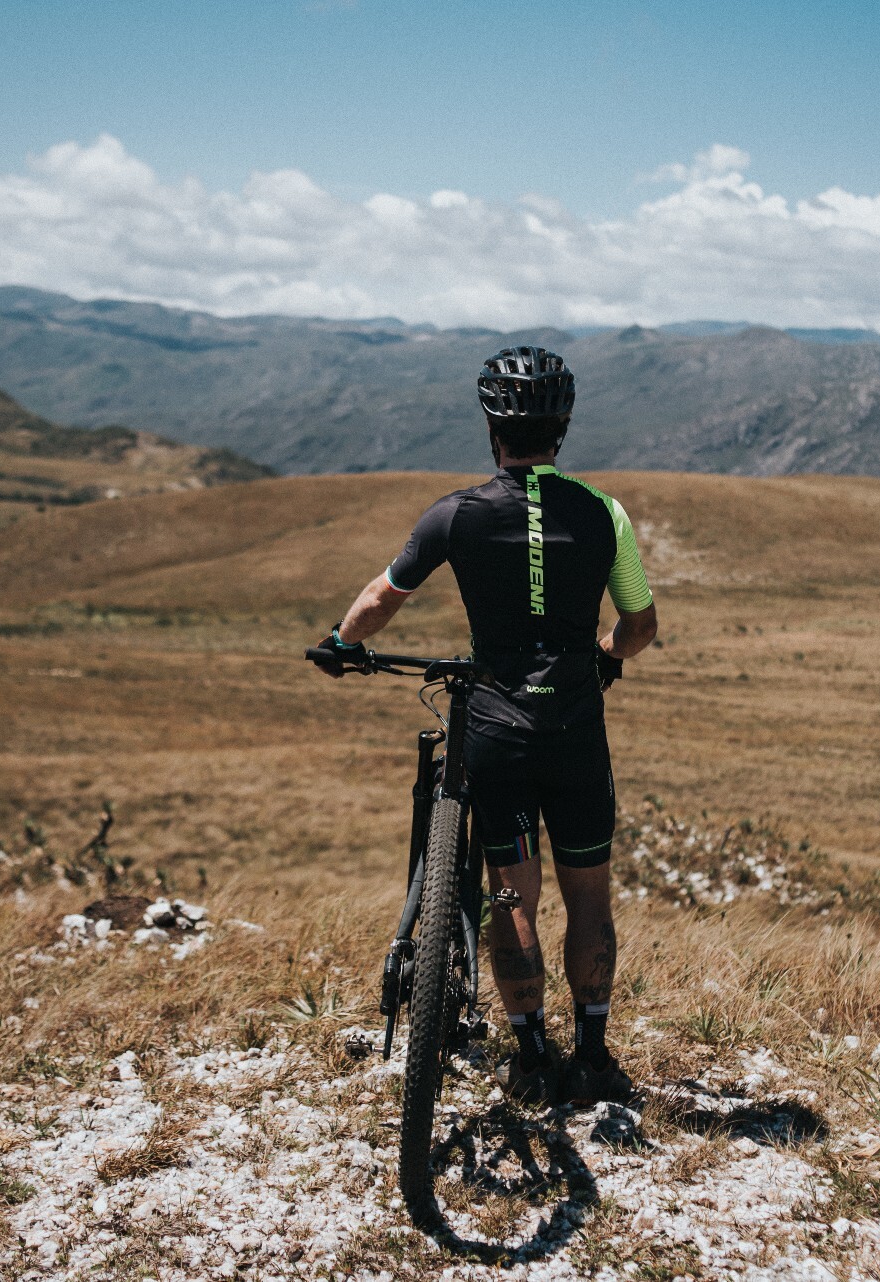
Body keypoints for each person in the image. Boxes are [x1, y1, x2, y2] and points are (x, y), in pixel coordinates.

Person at [311, 346, 658, 1106]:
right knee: (591, 898)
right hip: (574, 730)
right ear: (562, 426)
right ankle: (594, 1058)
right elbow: (639, 624)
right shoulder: (605, 513)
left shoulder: (456, 514)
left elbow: (382, 595)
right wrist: (604, 654)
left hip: (498, 729)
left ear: (492, 426)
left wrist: (343, 643)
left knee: (511, 898)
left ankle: (531, 1057)